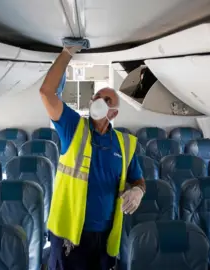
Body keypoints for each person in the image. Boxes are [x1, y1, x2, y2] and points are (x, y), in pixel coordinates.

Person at [40, 44, 146, 270]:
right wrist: (67, 53)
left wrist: (138, 191)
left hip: (105, 237)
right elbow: (47, 92)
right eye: (97, 96)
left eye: (107, 101)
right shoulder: (73, 127)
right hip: (69, 235)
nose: (99, 100)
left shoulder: (126, 144)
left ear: (114, 113)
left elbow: (138, 180)